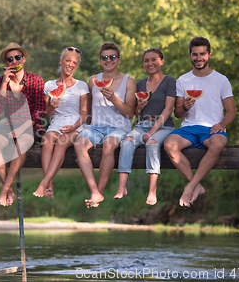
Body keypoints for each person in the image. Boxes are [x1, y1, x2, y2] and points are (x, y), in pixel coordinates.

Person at [163, 37, 236, 207]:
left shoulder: (221, 80)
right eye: (195, 54)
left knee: (217, 144)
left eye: (202, 54)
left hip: (212, 129)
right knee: (169, 144)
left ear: (209, 55)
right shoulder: (182, 80)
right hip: (188, 128)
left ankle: (189, 187)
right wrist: (185, 107)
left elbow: (232, 112)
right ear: (190, 56)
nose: (199, 57)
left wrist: (222, 125)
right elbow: (178, 114)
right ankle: (196, 185)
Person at [73, 42, 136, 208]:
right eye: (105, 57)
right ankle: (94, 190)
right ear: (100, 61)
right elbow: (89, 109)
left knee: (109, 146)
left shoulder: (129, 81)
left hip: (120, 127)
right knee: (79, 145)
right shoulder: (93, 80)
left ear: (119, 60)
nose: (109, 60)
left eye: (113, 57)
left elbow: (130, 113)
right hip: (95, 127)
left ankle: (98, 193)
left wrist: (114, 99)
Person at [115, 48, 176, 205]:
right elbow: (136, 112)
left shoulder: (169, 81)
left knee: (152, 143)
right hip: (142, 124)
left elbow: (169, 109)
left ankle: (152, 190)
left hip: (163, 126)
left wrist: (152, 131)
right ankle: (122, 186)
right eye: (146, 60)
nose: (150, 63)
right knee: (127, 141)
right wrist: (140, 106)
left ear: (162, 61)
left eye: (154, 59)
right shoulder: (140, 83)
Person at [0, 42, 45, 206]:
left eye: (17, 57)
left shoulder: (36, 80)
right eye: (9, 59)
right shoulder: (0, 82)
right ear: (6, 63)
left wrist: (21, 128)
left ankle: (5, 189)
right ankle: (9, 190)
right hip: (8, 126)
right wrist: (5, 84)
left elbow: (39, 112)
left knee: (22, 143)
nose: (14, 61)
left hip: (30, 126)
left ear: (24, 58)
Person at [33, 47, 89, 199]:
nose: (71, 64)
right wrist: (53, 106)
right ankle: (50, 186)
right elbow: (46, 115)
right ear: (61, 61)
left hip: (76, 124)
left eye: (74, 62)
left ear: (77, 66)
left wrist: (74, 126)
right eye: (68, 60)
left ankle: (43, 183)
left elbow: (84, 113)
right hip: (56, 123)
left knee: (62, 141)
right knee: (46, 140)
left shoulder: (81, 85)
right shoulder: (49, 86)